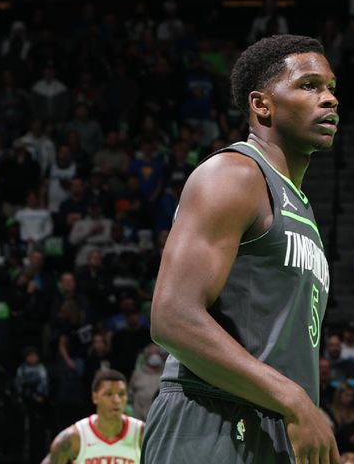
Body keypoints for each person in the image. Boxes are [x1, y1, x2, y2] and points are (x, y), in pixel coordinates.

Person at [142, 35, 340, 463]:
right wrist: (294, 399)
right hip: (210, 420)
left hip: (269, 422)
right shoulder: (233, 174)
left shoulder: (298, 205)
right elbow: (172, 316)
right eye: (309, 85)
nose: (328, 99)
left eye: (331, 87)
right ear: (262, 104)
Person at [43, 369, 145, 464]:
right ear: (95, 397)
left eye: (121, 394)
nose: (116, 400)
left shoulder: (142, 434)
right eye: (109, 394)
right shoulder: (75, 437)